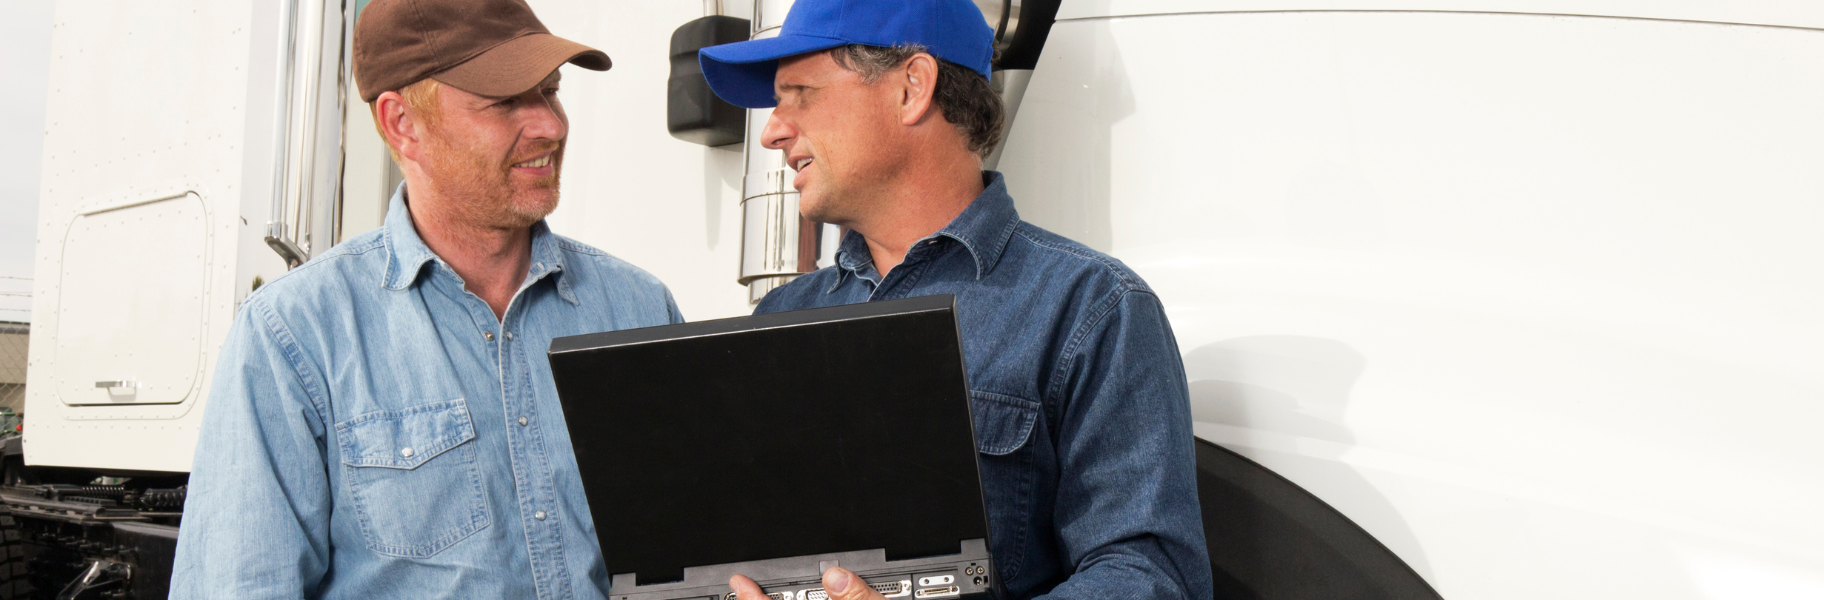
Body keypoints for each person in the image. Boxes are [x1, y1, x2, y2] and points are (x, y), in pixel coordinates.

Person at [698, 0, 1213, 598]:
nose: (771, 131)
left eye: (801, 95)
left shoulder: (1092, 308)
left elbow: (1151, 576)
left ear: (911, 88)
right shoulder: (779, 318)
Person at [169, 0, 680, 597]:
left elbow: (690, 565)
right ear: (402, 123)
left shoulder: (639, 309)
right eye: (506, 101)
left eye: (551, 91)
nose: (551, 125)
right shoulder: (294, 333)